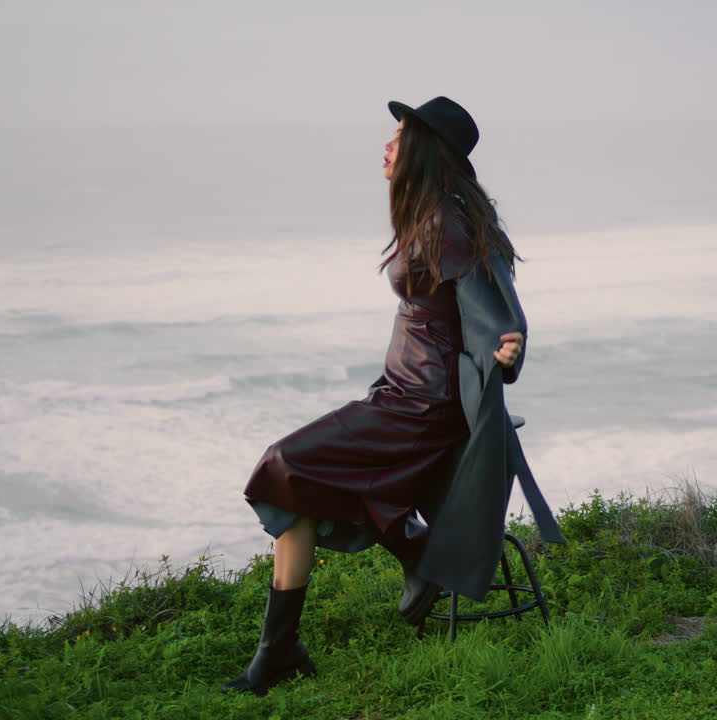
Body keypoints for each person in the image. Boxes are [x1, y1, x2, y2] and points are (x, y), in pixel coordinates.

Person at [224, 96, 564, 696]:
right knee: (300, 484)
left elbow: (500, 316)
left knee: (285, 463)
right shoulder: (427, 213)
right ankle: (283, 648)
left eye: (399, 135)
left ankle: (404, 559)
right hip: (401, 392)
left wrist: (506, 352)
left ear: (425, 150)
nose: (386, 145)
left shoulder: (449, 224)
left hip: (423, 405)